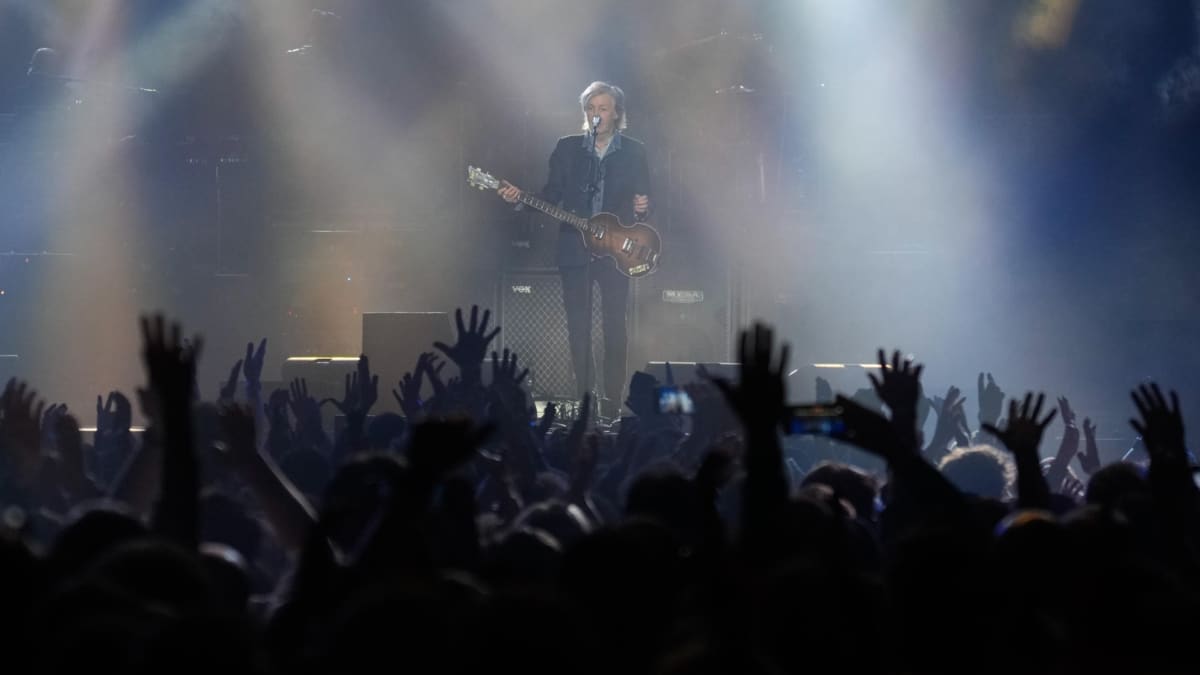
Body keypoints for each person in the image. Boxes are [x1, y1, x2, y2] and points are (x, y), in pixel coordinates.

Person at [498, 81, 652, 417]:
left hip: (616, 251)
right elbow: (552, 194)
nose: (596, 114)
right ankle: (586, 400)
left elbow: (646, 200)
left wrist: (643, 208)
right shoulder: (567, 148)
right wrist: (521, 200)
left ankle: (612, 401)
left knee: (615, 326)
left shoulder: (635, 151)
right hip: (575, 248)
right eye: (591, 109)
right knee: (578, 327)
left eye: (603, 108)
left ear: (617, 114)